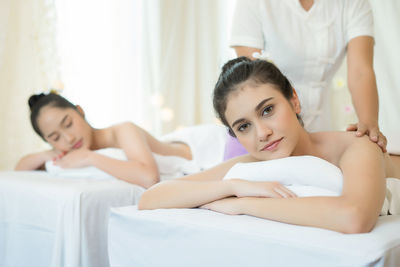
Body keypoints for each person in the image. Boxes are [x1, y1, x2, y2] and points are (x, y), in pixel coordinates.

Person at [138, 57, 400, 233]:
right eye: (243, 126)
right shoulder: (252, 165)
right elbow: (150, 198)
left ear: (294, 101)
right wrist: (232, 186)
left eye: (267, 110)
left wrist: (242, 204)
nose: (262, 133)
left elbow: (354, 217)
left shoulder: (355, 147)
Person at [228, 0, 386, 154]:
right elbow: (250, 84)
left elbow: (360, 71)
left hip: (319, 129)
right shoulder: (252, 3)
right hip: (263, 141)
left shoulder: (352, 3)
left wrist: (368, 124)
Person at [15, 92, 193, 188]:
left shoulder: (123, 130)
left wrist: (89, 157)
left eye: (68, 124)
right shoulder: (65, 149)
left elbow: (149, 178)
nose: (68, 138)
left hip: (195, 150)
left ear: (80, 111)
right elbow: (19, 169)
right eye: (55, 137)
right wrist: (51, 152)